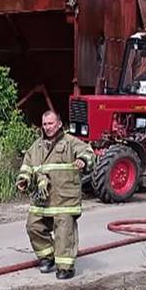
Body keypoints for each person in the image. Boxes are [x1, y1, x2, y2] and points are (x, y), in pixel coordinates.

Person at [16, 110, 94, 280]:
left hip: (64, 199)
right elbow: (27, 167)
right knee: (33, 226)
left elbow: (88, 153)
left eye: (50, 123)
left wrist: (83, 160)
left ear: (59, 124)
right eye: (45, 124)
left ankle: (65, 267)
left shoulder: (71, 142)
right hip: (42, 199)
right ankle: (47, 257)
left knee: (64, 232)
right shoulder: (36, 147)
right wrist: (24, 179)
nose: (47, 127)